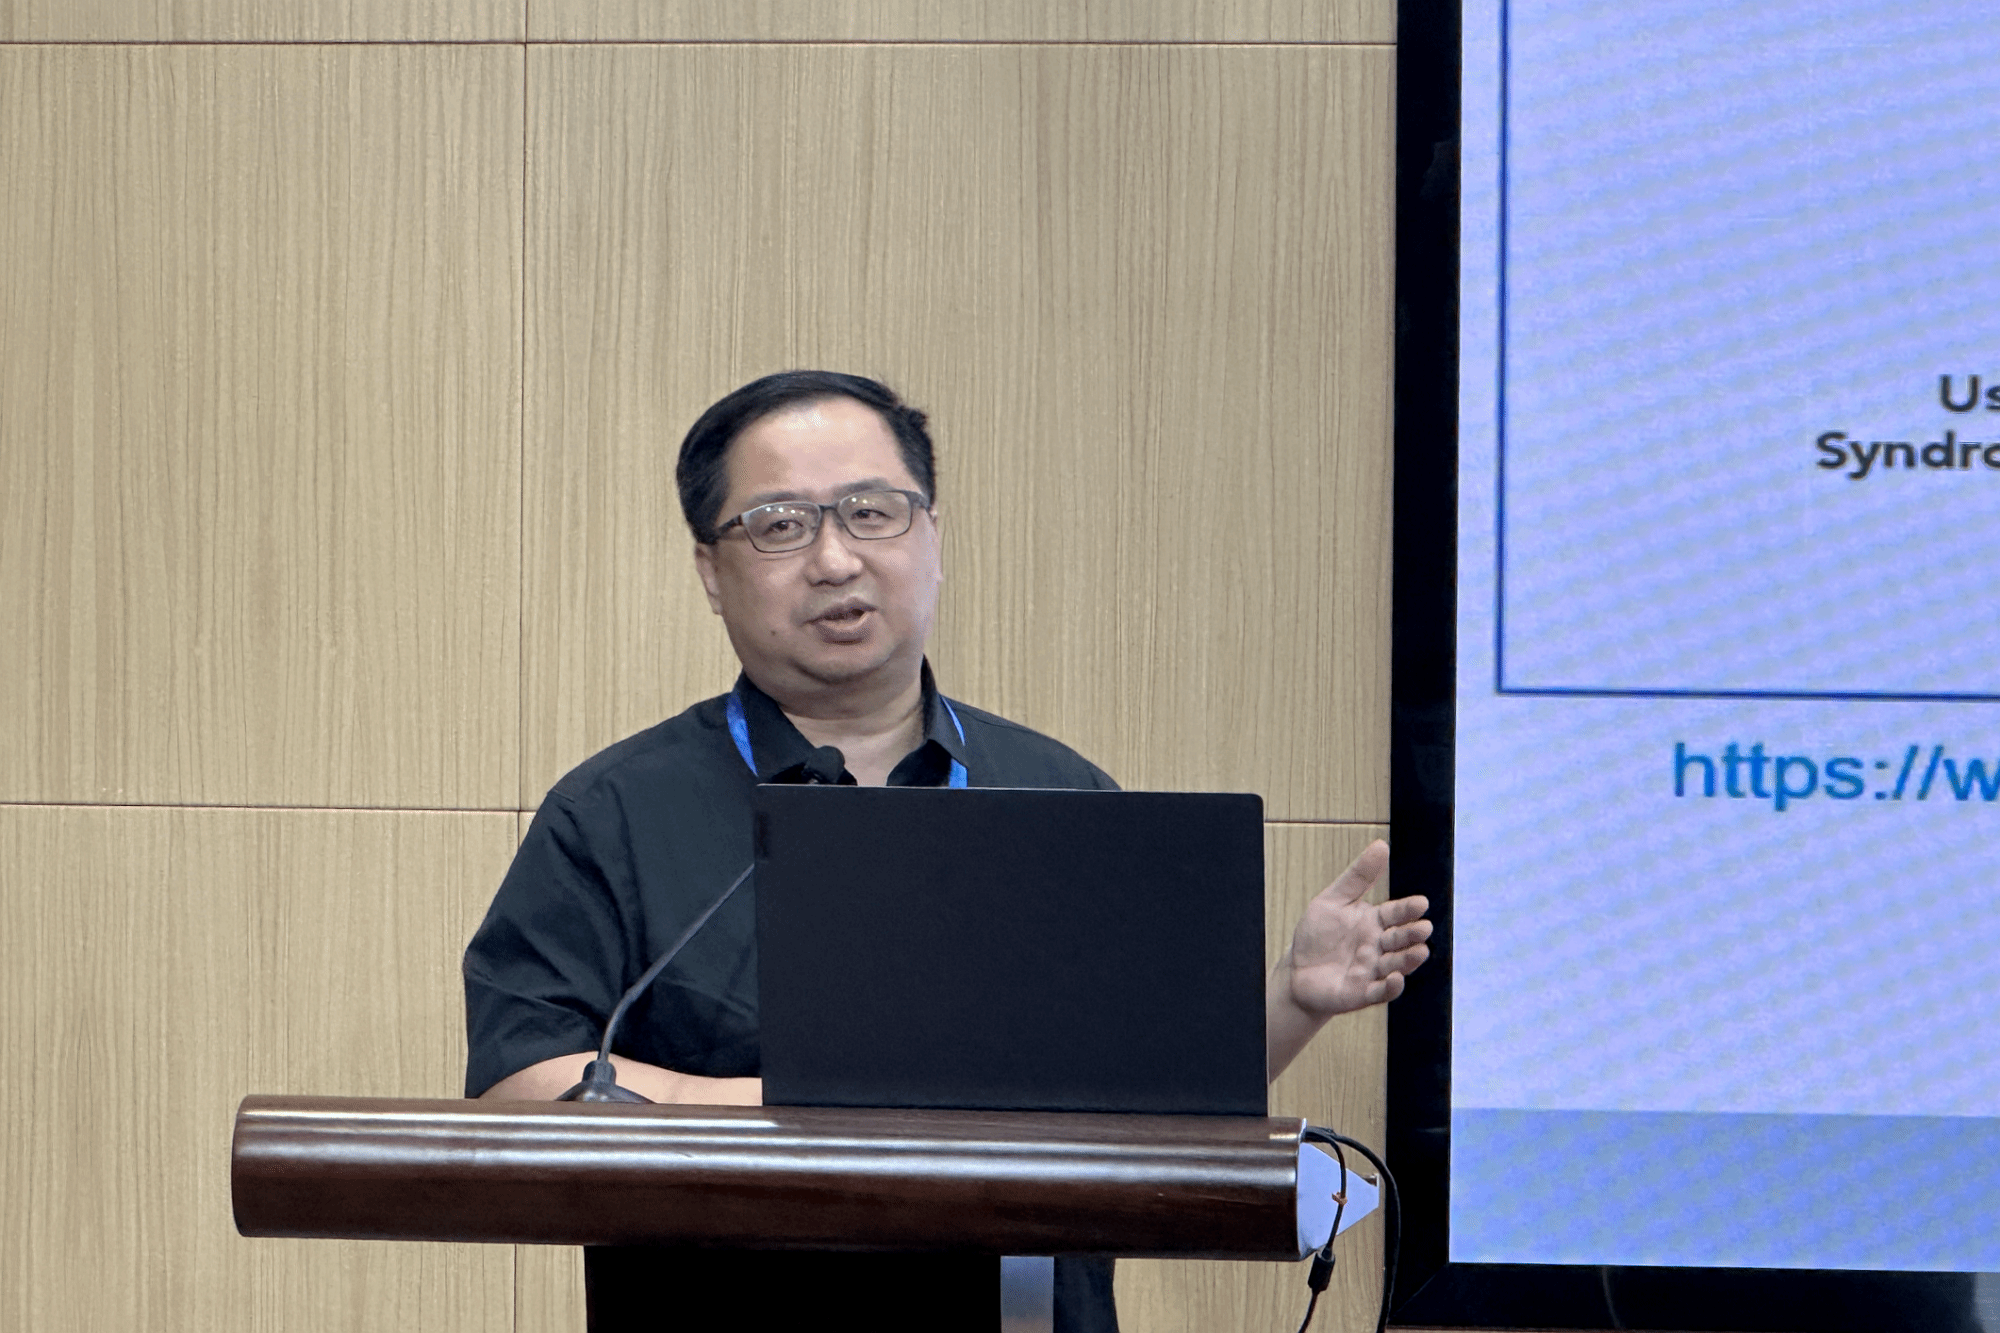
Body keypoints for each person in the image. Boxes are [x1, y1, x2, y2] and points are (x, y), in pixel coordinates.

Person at [461, 370, 1433, 1331]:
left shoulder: (1061, 797)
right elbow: (523, 1082)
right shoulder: (616, 811)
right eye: (780, 525)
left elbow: (1162, 1101)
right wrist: (789, 1110)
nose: (834, 558)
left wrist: (1290, 997)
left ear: (933, 535)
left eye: (870, 512)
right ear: (712, 571)